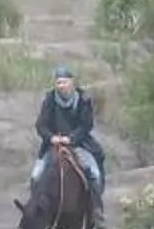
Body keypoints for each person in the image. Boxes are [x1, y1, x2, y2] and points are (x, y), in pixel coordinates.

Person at [30, 65, 104, 208]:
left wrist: (71, 138)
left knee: (94, 174)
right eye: (58, 82)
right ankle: (36, 211)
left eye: (64, 82)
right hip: (53, 145)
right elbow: (41, 125)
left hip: (80, 144)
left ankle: (96, 209)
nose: (61, 86)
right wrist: (51, 138)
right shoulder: (49, 99)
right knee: (36, 176)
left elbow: (86, 125)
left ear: (72, 82)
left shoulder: (84, 99)